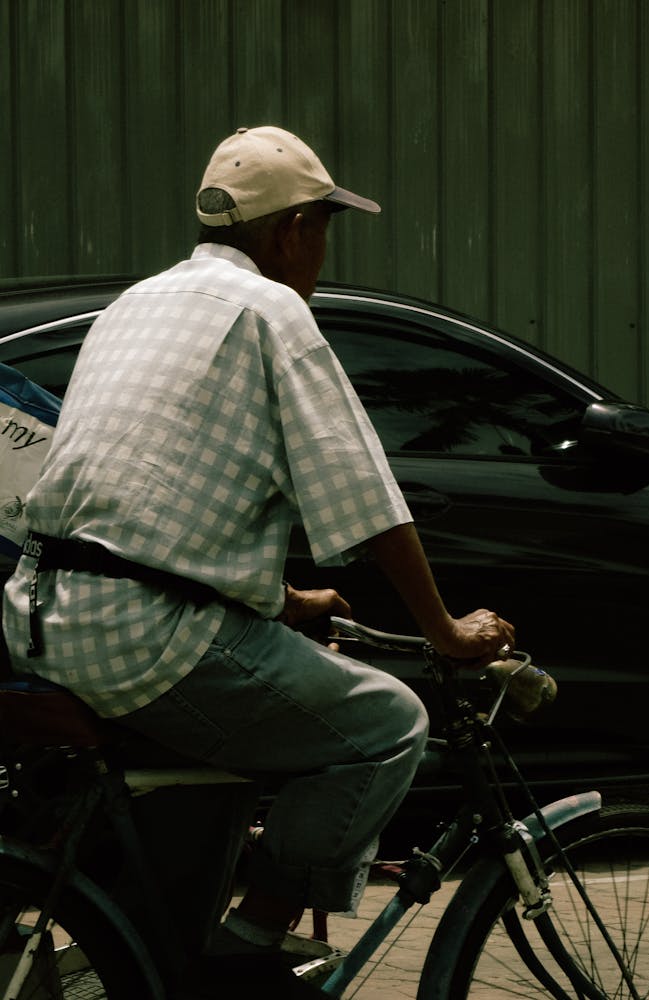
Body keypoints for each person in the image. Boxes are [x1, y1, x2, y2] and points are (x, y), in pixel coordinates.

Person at [2, 125, 514, 996]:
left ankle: (157, 940)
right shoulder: (272, 311)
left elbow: (143, 507)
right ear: (290, 233)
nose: (319, 253)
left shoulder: (137, 303)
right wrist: (447, 630)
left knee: (247, 729)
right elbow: (364, 494)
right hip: (143, 636)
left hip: (40, 615)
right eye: (322, 229)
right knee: (387, 727)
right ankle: (249, 954)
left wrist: (283, 601)